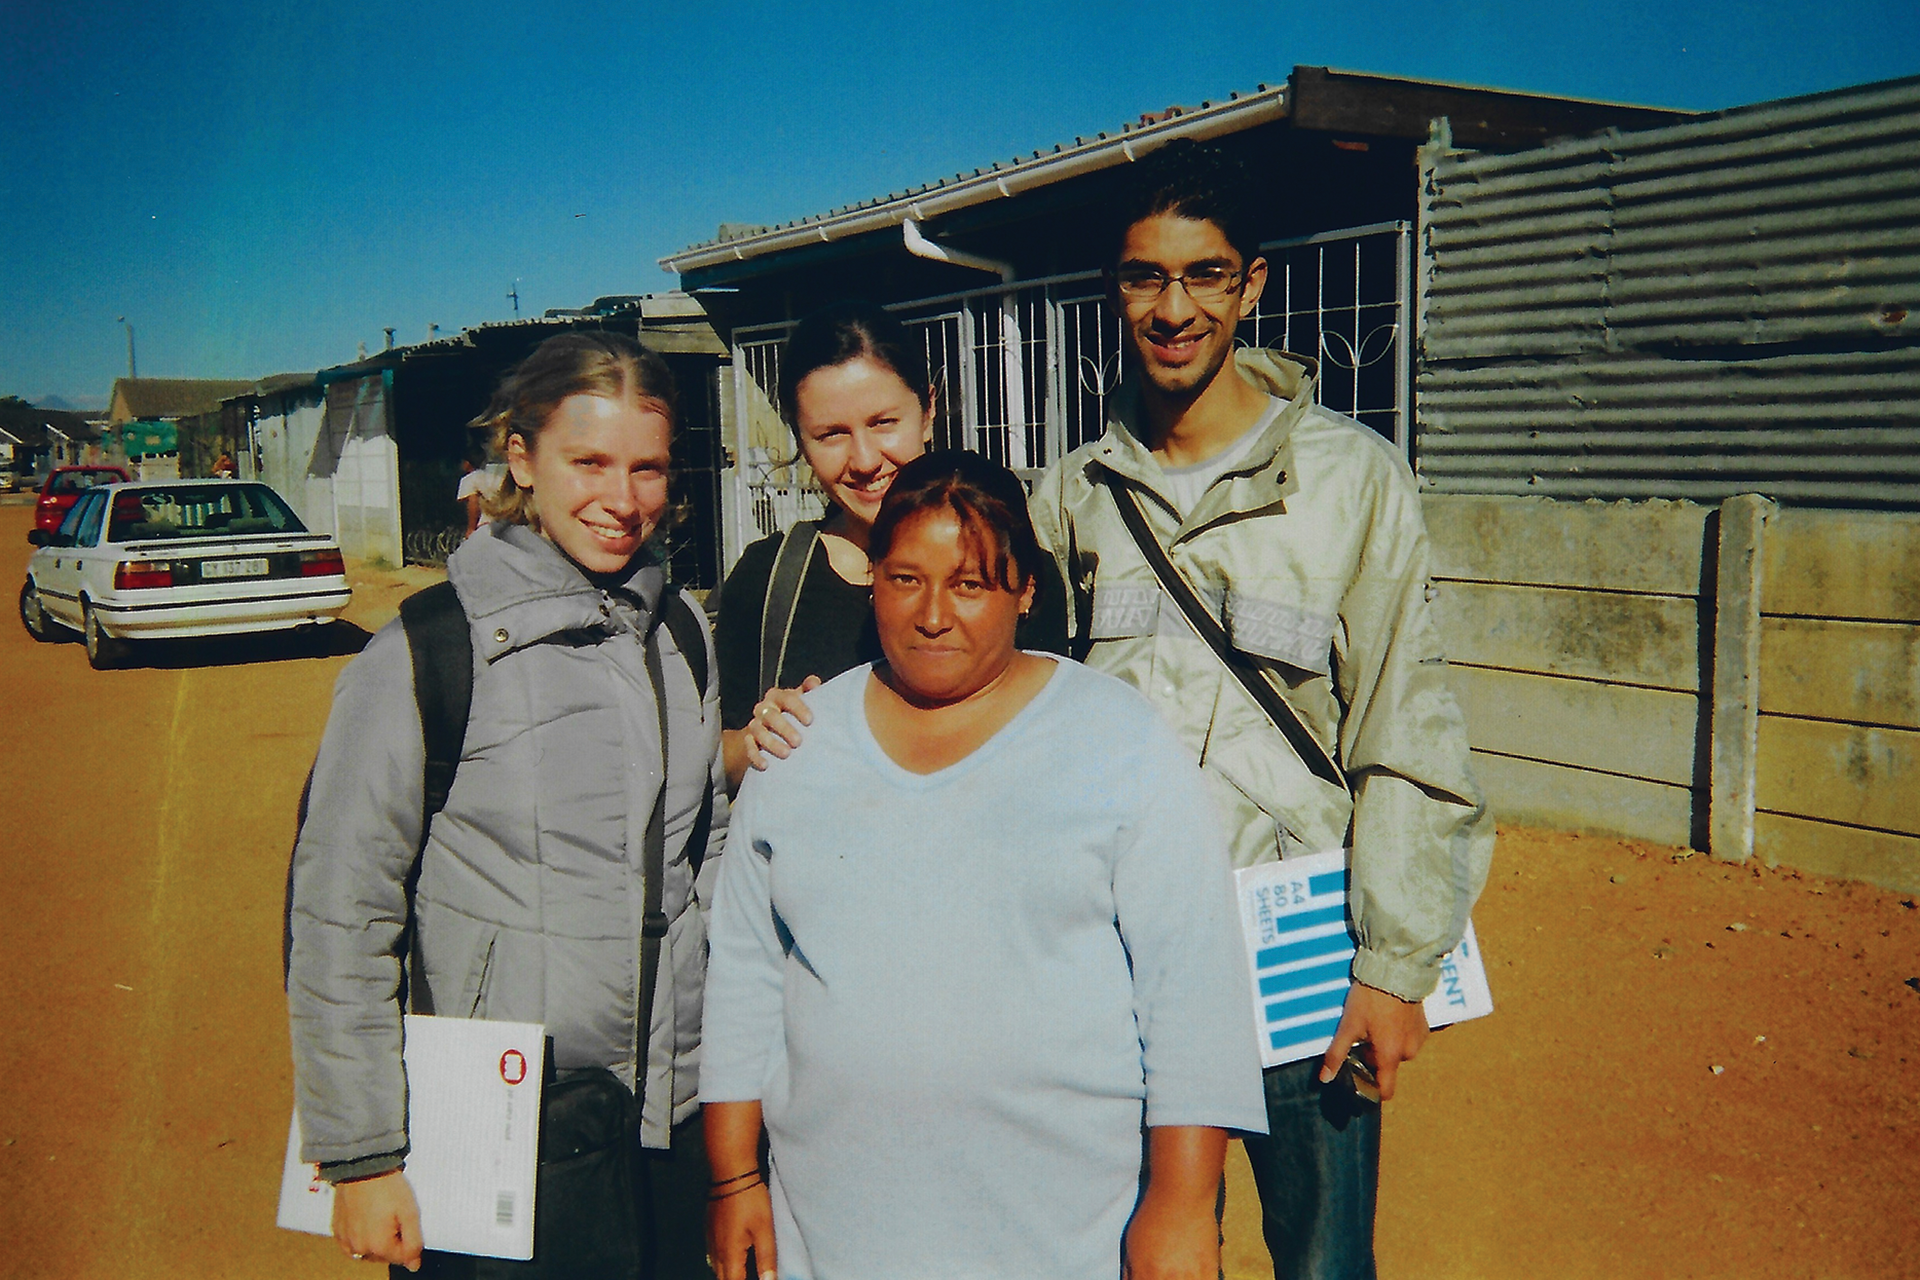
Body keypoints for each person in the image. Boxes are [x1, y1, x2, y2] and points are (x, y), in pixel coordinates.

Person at [1027, 139, 1496, 1280]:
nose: (1173, 306)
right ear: (1114, 288)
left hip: (1301, 961)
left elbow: (1406, 726)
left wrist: (1393, 963)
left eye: (1204, 274)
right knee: (1138, 1257)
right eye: (1145, 275)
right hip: (1123, 962)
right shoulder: (1071, 493)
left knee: (1326, 1263)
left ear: (1251, 286)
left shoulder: (1352, 480)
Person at [700, 451, 1265, 1280]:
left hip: (1064, 1236)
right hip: (834, 1229)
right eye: (904, 580)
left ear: (1025, 590)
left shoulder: (1117, 740)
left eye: (970, 585)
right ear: (872, 584)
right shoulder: (800, 743)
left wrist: (1181, 1205)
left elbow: (1190, 986)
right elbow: (744, 974)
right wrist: (734, 1178)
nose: (933, 615)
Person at [286, 331, 727, 1278]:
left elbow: (707, 852)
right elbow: (339, 911)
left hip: (674, 1119)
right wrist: (363, 1155)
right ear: (520, 457)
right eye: (590, 462)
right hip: (499, 1130)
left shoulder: (681, 630)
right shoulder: (427, 651)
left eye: (647, 467)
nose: (623, 499)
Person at [710, 300, 1067, 791]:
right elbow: (718, 761)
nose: (863, 460)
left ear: (928, 411)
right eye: (831, 434)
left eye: (883, 423)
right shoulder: (769, 580)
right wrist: (759, 738)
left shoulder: (1011, 573)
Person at [457, 452, 502, 537]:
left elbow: (473, 502)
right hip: (505, 523)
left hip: (485, 525)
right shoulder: (494, 476)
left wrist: (471, 528)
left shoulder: (469, 479)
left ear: (467, 463)